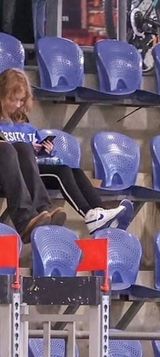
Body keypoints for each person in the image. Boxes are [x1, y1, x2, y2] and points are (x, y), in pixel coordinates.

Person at [0, 68, 132, 235]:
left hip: (31, 165)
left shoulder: (23, 122)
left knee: (74, 170)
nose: (18, 105)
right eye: (13, 100)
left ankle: (100, 212)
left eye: (21, 101)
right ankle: (85, 215)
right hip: (13, 171)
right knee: (59, 170)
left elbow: (32, 149)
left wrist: (44, 150)